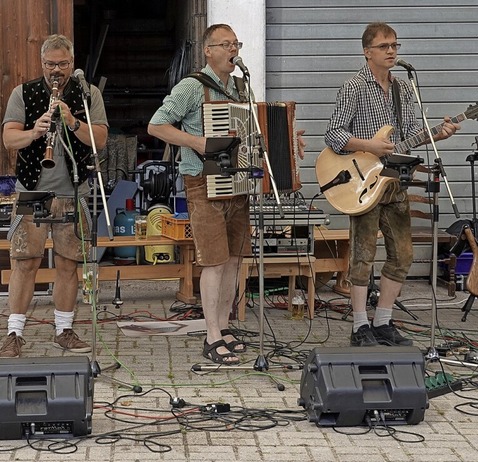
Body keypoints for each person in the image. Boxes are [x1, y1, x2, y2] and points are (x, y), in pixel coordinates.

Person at [149, 24, 306, 365]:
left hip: (239, 186)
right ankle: (211, 336)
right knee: (214, 261)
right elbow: (156, 125)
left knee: (235, 259)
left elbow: (255, 132)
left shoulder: (241, 86)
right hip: (203, 185)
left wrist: (290, 143)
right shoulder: (191, 87)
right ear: (208, 50)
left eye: (236, 44)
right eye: (226, 44)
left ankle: (223, 325)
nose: (234, 50)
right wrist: (197, 142)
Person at [324, 22, 459, 347]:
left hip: (395, 181)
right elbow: (333, 134)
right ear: (367, 51)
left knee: (402, 254)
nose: (391, 51)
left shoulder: (403, 88)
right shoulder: (354, 87)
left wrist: (437, 132)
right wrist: (369, 146)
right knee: (363, 254)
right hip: (363, 183)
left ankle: (382, 321)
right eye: (384, 46)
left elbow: (412, 131)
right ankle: (359, 326)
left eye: (395, 46)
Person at [1, 34, 109, 357]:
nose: (56, 71)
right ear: (42, 64)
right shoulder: (24, 93)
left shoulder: (88, 94)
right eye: (50, 64)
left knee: (68, 263)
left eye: (62, 64)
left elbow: (100, 139)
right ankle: (14, 334)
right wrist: (35, 132)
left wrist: (73, 121)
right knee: (24, 261)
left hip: (73, 189)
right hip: (32, 189)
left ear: (71, 63)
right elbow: (8, 139)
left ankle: (64, 329)